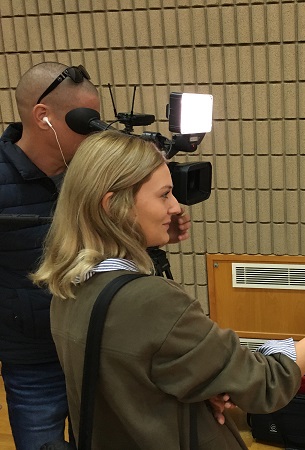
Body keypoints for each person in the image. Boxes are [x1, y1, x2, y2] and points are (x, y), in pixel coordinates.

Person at [31, 130, 305, 449]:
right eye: (164, 195)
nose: (176, 207)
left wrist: (204, 386)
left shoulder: (67, 287)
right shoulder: (151, 301)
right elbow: (267, 383)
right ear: (114, 206)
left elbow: (138, 378)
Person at [0, 62, 191, 450]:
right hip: (33, 356)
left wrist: (155, 235)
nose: (95, 131)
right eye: (85, 121)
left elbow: (112, 244)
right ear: (43, 116)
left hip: (98, 345)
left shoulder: (94, 175)